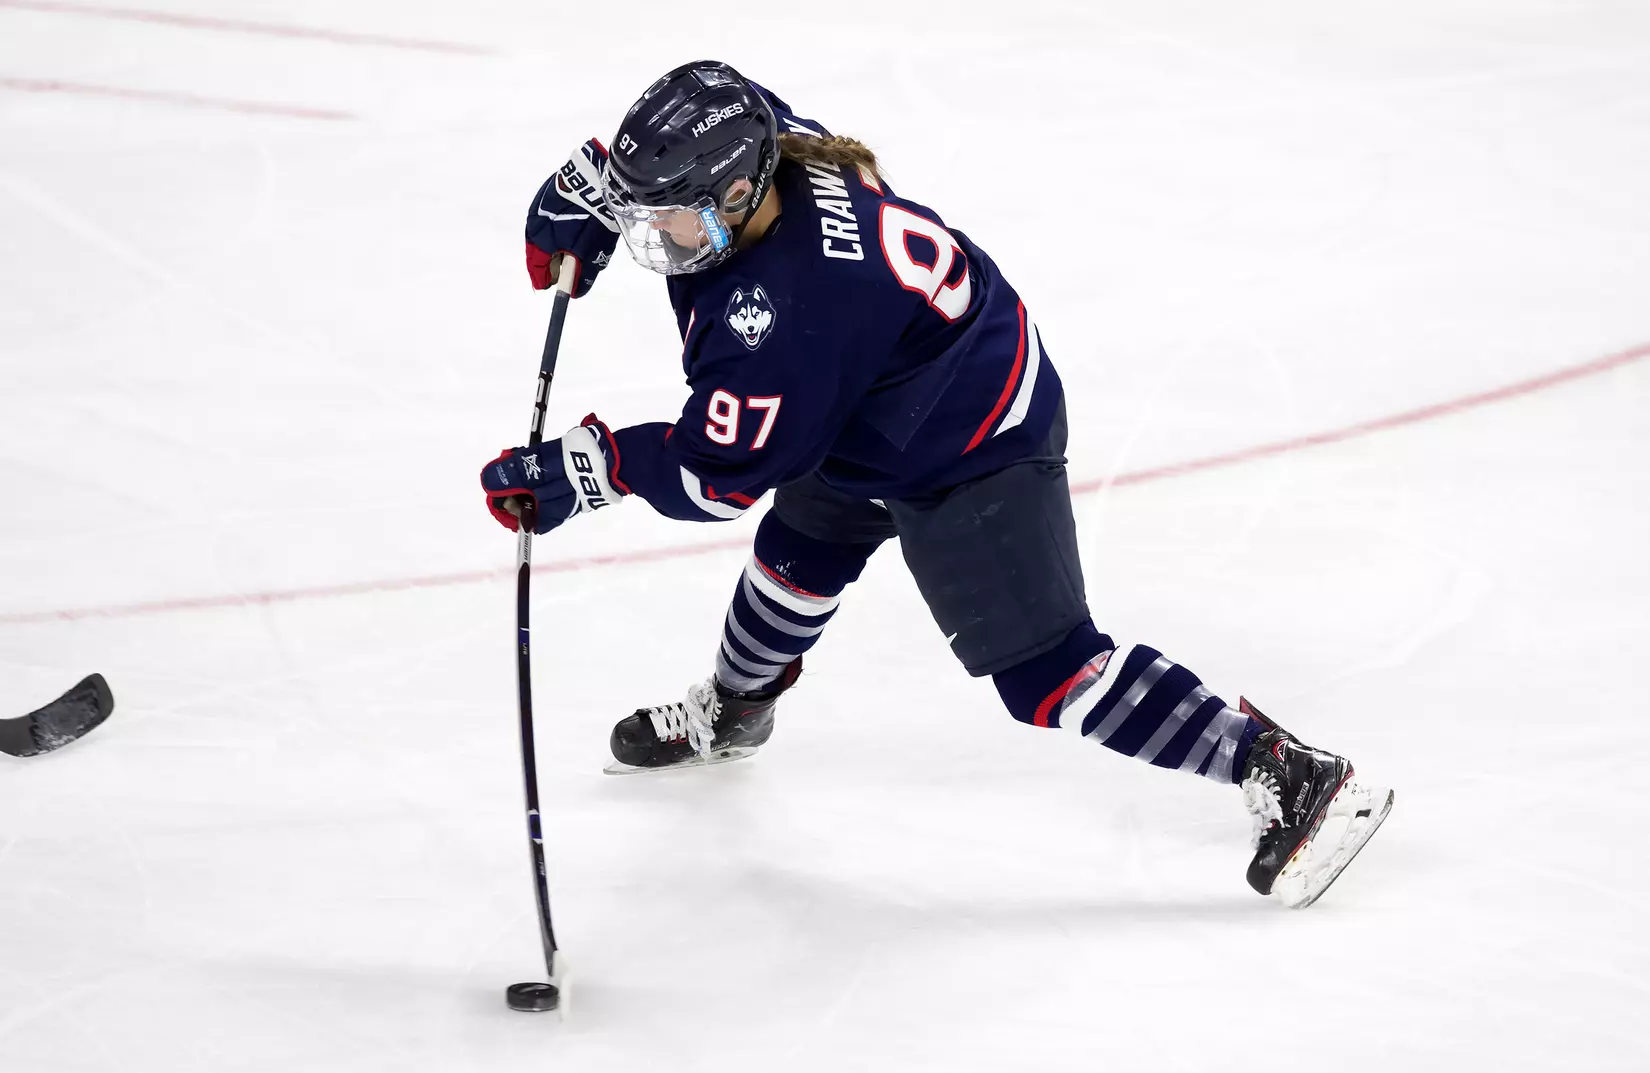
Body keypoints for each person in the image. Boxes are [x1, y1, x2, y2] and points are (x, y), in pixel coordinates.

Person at [479, 61, 1392, 907]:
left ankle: (1286, 771)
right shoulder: (770, 144)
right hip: (875, 394)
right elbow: (724, 98)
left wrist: (583, 469)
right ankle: (736, 709)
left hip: (972, 439)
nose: (657, 238)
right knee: (798, 553)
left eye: (671, 217)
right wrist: (597, 186)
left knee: (1049, 673)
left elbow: (714, 476)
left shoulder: (782, 318)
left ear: (736, 192)